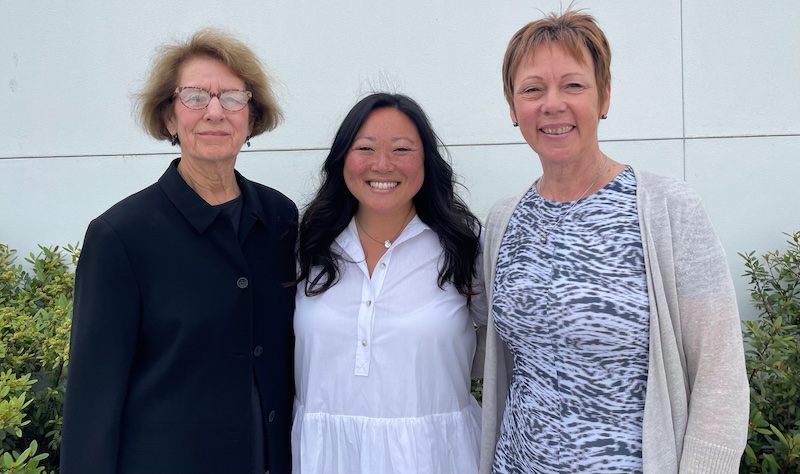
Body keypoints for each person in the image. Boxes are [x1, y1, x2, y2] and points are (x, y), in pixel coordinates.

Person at [477, 9, 750, 474]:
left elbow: (720, 377)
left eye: (573, 85)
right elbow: (480, 345)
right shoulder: (505, 220)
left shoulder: (668, 209)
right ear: (512, 107)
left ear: (604, 97)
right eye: (532, 89)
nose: (552, 104)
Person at [60, 29, 297, 474]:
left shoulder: (280, 219)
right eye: (194, 97)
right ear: (169, 117)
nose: (214, 112)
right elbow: (93, 398)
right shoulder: (121, 235)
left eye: (232, 97)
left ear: (252, 115)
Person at [292, 93, 485, 474]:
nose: (382, 164)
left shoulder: (462, 245)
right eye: (365, 147)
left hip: (436, 457)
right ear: (341, 158)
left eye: (402, 149)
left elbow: (504, 342)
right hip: (324, 458)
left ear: (426, 160)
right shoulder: (306, 244)